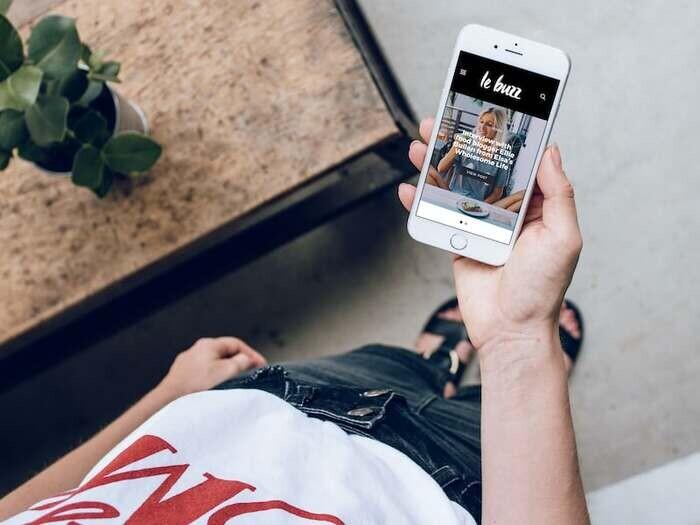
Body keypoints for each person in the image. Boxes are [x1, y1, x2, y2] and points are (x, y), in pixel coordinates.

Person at [0, 117, 589, 525]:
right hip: (443, 494)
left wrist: (166, 398)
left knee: (393, 364)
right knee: (496, 413)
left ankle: (438, 360)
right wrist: (517, 342)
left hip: (273, 404)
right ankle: (467, 364)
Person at [437, 107, 511, 204]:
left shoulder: (502, 158)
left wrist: (480, 206)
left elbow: (497, 193)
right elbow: (441, 168)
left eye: (489, 124)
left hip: (478, 203)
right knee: (428, 171)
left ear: (499, 130)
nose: (482, 127)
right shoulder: (466, 143)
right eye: (481, 122)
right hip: (453, 196)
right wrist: (456, 147)